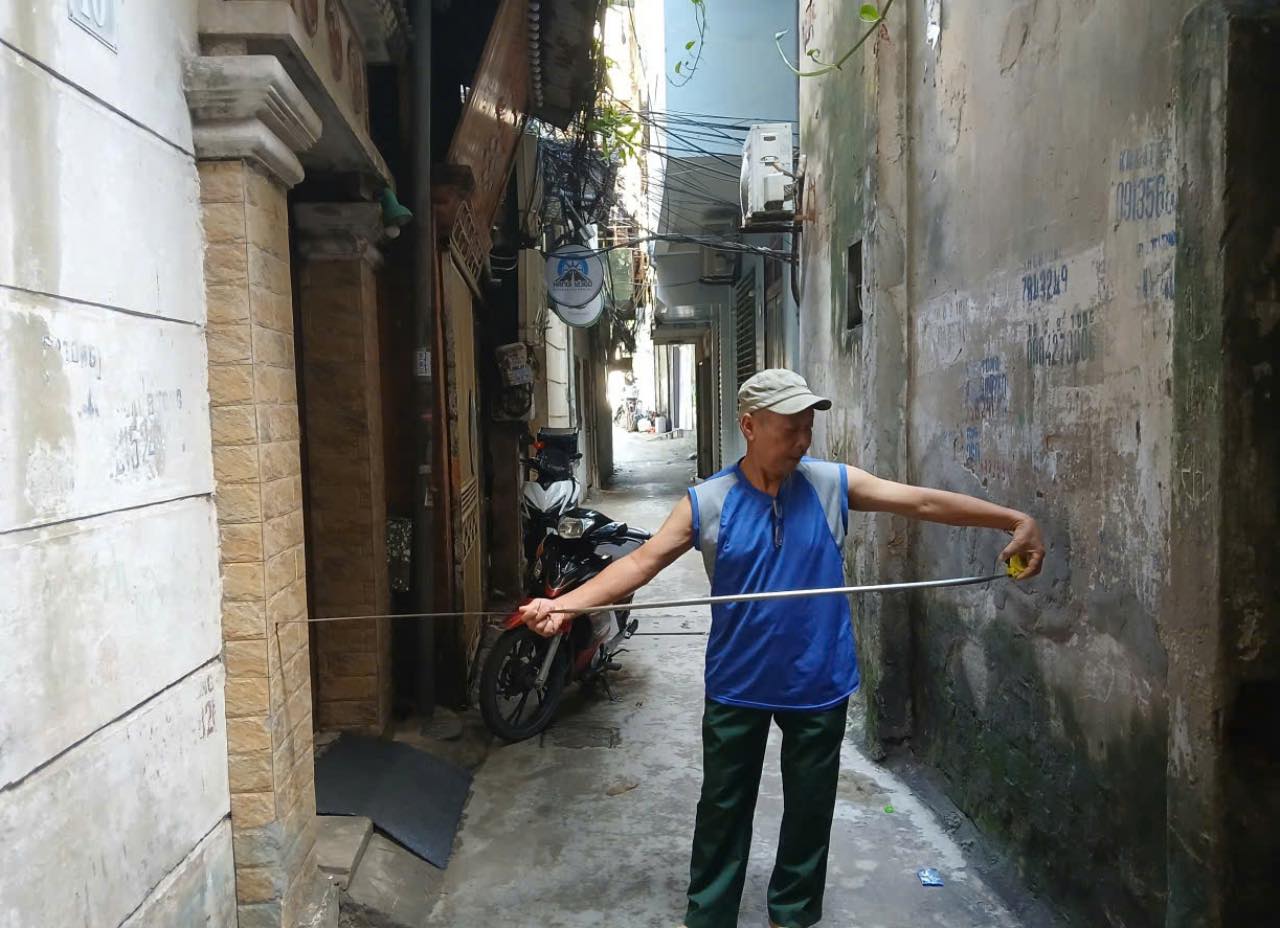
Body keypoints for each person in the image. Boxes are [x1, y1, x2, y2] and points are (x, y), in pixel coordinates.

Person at [520, 369, 1045, 928]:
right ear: (749, 426)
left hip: (818, 681)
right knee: (724, 807)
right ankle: (710, 913)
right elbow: (638, 565)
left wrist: (1012, 519)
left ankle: (791, 914)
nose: (802, 442)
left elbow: (920, 503)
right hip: (738, 684)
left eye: (808, 429)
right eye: (789, 430)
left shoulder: (830, 485)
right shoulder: (709, 501)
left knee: (810, 809)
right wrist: (567, 604)